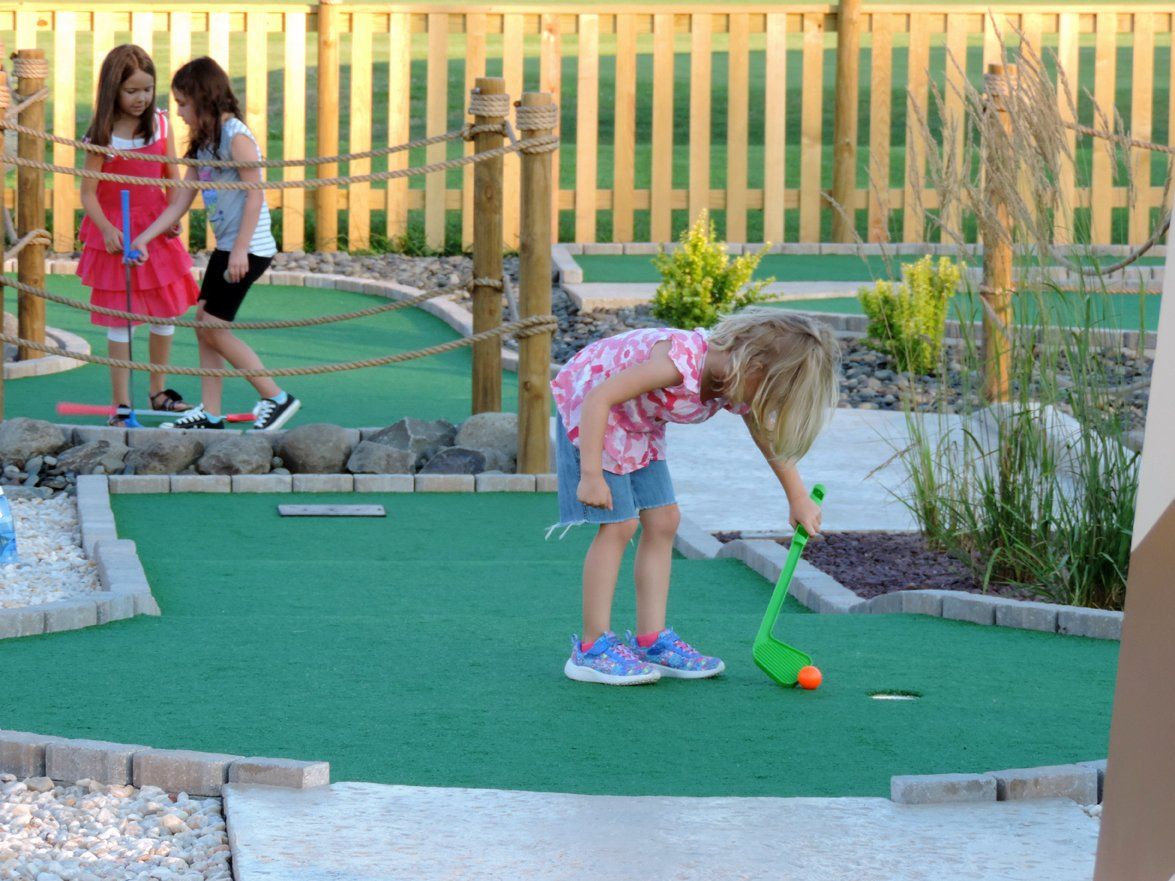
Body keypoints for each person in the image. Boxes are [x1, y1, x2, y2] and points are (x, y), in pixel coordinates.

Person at [552, 309, 841, 685]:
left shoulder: (736, 380)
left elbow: (764, 437)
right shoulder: (678, 363)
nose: (766, 403)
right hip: (592, 410)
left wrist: (797, 497)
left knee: (664, 520)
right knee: (619, 524)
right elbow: (598, 398)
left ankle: (651, 640)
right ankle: (591, 649)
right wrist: (590, 474)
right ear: (753, 363)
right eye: (771, 391)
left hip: (638, 422)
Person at [131, 56, 300, 431]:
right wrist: (143, 238)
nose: (179, 113)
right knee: (203, 323)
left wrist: (239, 250)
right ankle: (210, 413)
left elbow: (255, 196)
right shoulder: (204, 144)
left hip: (249, 248)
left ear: (203, 99)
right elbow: (180, 200)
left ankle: (275, 397)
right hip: (228, 247)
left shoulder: (236, 136)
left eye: (183, 103)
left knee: (213, 327)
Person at [77, 44, 200, 425]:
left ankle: (158, 392)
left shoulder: (161, 124)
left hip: (155, 229)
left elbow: (173, 180)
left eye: (147, 89)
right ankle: (121, 406)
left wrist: (174, 215)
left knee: (165, 314)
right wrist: (107, 228)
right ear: (113, 89)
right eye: (132, 90)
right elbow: (87, 193)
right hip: (116, 233)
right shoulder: (102, 135)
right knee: (122, 320)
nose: (140, 98)